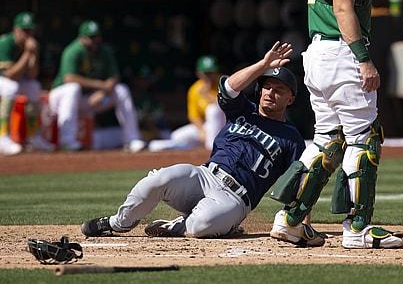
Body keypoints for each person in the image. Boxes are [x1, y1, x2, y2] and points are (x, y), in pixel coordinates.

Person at [81, 41, 324, 246]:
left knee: (200, 226)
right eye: (266, 87)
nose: (270, 93)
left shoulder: (291, 138)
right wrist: (262, 66)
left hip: (236, 199)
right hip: (204, 175)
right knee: (157, 180)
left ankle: (182, 224)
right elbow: (228, 87)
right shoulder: (243, 110)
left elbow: (300, 183)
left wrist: (302, 223)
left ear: (291, 99)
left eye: (279, 90)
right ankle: (116, 223)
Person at [270, 0, 403, 249]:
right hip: (342, 53)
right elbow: (343, 8)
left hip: (317, 53)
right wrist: (364, 59)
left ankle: (291, 220)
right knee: (363, 137)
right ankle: (358, 227)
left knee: (327, 140)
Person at [49, 20, 145, 152]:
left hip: (90, 98)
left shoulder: (104, 50)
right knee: (73, 88)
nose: (95, 40)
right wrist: (100, 85)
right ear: (81, 38)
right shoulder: (73, 50)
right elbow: (69, 78)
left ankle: (132, 138)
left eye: (97, 36)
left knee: (121, 90)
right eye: (91, 37)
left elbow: (114, 77)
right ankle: (67, 141)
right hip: (61, 99)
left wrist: (103, 92)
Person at [0, 11, 56, 155]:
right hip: (5, 78)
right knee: (10, 87)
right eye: (24, 30)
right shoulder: (5, 43)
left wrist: (34, 54)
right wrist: (27, 53)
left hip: (11, 80)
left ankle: (34, 137)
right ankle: (2, 137)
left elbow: (32, 75)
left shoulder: (31, 46)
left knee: (34, 87)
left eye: (30, 30)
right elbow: (11, 75)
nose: (27, 34)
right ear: (15, 30)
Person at [148, 55, 226, 151]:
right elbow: (194, 116)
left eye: (211, 72)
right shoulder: (195, 89)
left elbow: (228, 106)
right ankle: (202, 149)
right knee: (177, 136)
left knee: (213, 110)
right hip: (208, 127)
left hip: (226, 124)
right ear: (198, 73)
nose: (209, 76)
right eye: (206, 73)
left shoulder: (225, 82)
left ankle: (211, 149)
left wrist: (208, 95)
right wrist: (201, 131)